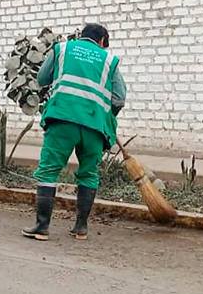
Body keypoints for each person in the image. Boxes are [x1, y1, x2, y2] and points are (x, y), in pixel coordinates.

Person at [22, 23, 126, 241]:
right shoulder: (110, 60)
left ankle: (42, 227)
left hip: (62, 120)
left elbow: (42, 79)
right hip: (94, 126)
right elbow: (119, 98)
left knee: (49, 171)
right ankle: (80, 228)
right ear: (102, 41)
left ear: (81, 36)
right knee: (89, 174)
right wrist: (105, 116)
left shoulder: (61, 49)